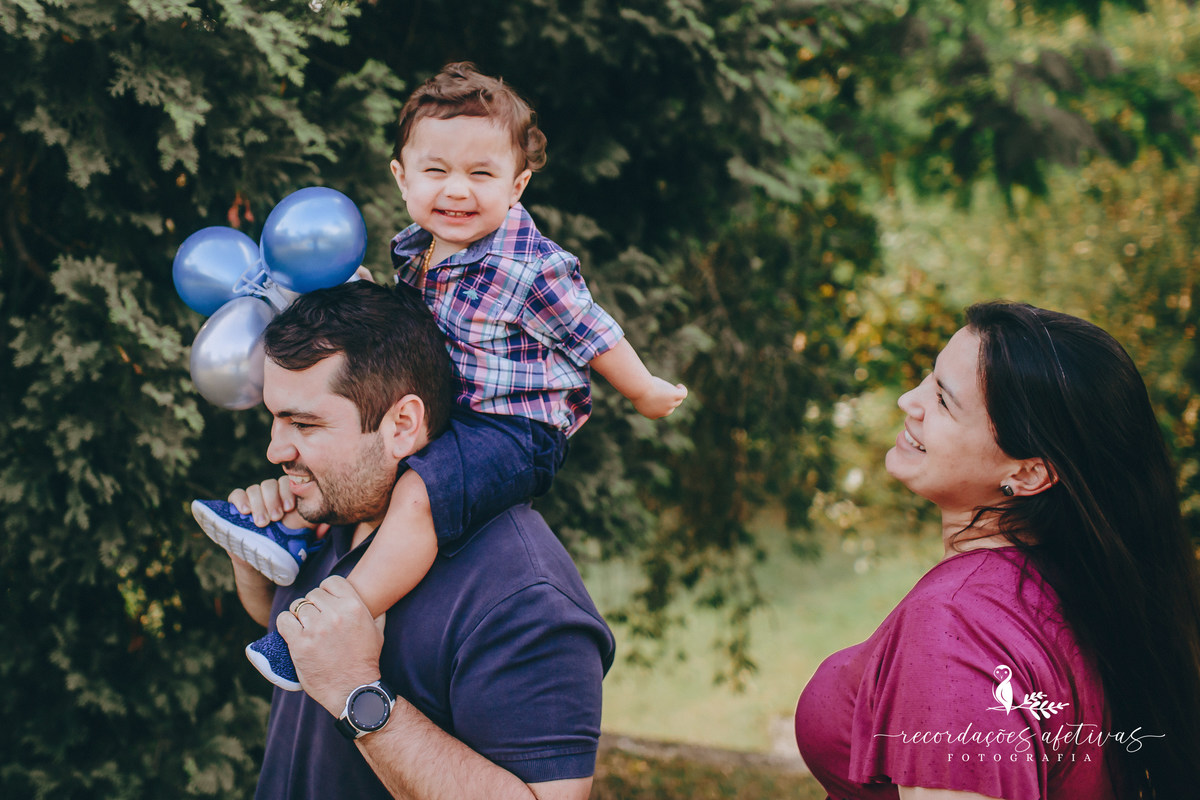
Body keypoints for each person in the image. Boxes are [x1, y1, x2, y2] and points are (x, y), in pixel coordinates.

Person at [192, 61, 685, 690]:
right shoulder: (415, 248)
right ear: (402, 178)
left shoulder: (532, 267)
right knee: (358, 462)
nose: (457, 190)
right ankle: (289, 534)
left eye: (482, 174)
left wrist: (643, 390)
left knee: (420, 494)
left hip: (514, 430)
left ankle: (337, 619)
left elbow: (594, 333)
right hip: (449, 409)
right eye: (436, 171)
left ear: (518, 185)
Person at [216, 280, 614, 799]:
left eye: (305, 424)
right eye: (275, 417)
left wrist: (356, 692)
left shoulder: (525, 597)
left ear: (403, 423)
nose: (275, 450)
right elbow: (303, 638)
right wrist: (255, 562)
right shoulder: (337, 513)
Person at [794, 302, 1200, 799]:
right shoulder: (1075, 593)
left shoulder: (954, 626)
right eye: (930, 376)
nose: (908, 400)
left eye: (944, 401)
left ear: (1028, 473)